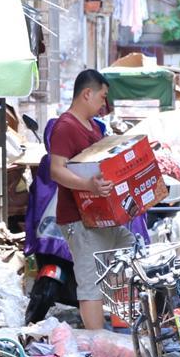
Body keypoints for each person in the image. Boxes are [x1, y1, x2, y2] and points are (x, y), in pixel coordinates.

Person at [47, 69, 132, 330]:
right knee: (90, 282)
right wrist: (88, 185)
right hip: (78, 219)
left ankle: (121, 327)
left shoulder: (94, 127)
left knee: (130, 254)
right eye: (102, 97)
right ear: (87, 94)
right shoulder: (65, 126)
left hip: (102, 217)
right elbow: (56, 170)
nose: (103, 105)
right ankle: (99, 345)